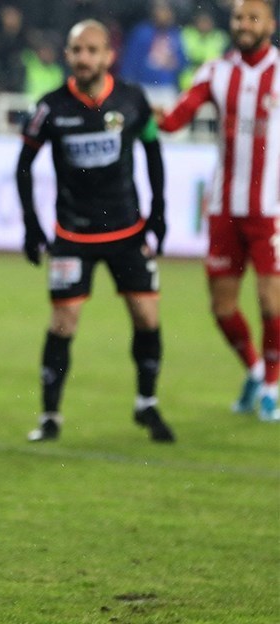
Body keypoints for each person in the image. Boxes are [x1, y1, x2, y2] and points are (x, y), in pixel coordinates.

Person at [16, 19, 174, 443]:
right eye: (77, 50)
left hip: (127, 231)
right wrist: (31, 225)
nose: (83, 57)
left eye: (92, 50)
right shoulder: (51, 107)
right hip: (73, 235)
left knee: (146, 316)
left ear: (108, 56)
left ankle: (147, 403)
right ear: (68, 55)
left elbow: (153, 151)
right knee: (63, 322)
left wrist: (159, 212)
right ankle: (50, 416)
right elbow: (24, 165)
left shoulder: (132, 100)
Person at [156, 0, 280, 422]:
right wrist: (145, 113)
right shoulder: (215, 71)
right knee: (223, 308)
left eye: (253, 18)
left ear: (270, 25)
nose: (244, 25)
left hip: (270, 210)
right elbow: (175, 120)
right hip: (225, 208)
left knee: (271, 301)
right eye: (239, 18)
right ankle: (256, 370)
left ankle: (272, 387)